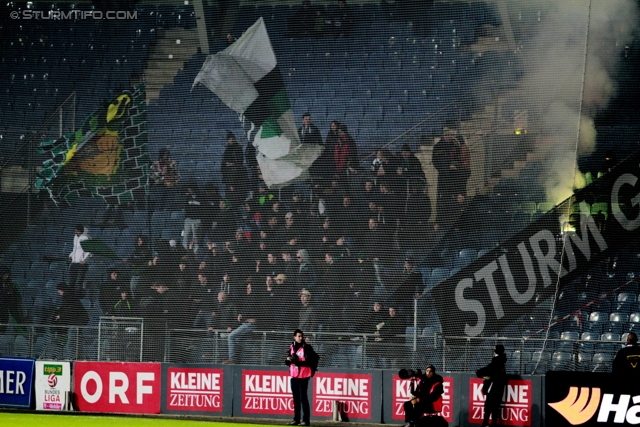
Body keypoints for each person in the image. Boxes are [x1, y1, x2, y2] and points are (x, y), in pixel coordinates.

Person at [285, 329, 318, 426]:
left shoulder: (307, 347)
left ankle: (306, 420)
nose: (300, 338)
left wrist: (297, 361)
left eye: (301, 336)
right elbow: (289, 359)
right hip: (294, 376)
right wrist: (288, 360)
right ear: (294, 337)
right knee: (295, 399)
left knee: (303, 398)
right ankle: (296, 419)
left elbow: (310, 361)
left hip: (303, 376)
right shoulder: (291, 346)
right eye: (298, 336)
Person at [476, 344, 507, 427]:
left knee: (489, 408)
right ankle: (491, 424)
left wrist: (484, 376)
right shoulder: (501, 362)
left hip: (493, 389)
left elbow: (484, 371)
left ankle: (486, 424)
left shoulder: (496, 363)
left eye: (494, 349)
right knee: (495, 408)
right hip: (498, 390)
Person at [0, 266, 24, 333]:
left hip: (9, 309)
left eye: (7, 274)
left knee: (4, 326)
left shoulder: (12, 285)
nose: (6, 276)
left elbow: (18, 299)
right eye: (4, 274)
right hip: (1, 308)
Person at [68, 224, 91, 294]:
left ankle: (77, 297)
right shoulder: (75, 237)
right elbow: (75, 249)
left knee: (78, 282)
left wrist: (84, 260)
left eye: (77, 231)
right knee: (71, 281)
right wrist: (71, 255)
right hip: (74, 262)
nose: (76, 232)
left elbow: (89, 250)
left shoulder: (86, 237)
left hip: (81, 264)